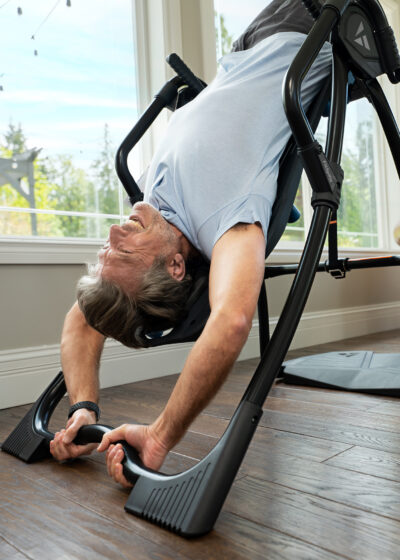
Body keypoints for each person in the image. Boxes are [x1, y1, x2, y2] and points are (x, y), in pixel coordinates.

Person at [50, 1, 332, 487]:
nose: (116, 232)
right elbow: (233, 319)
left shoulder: (154, 217)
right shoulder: (226, 220)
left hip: (243, 50)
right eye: (125, 251)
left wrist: (83, 407)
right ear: (177, 267)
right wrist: (159, 437)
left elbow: (83, 318)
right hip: (306, 27)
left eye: (106, 250)